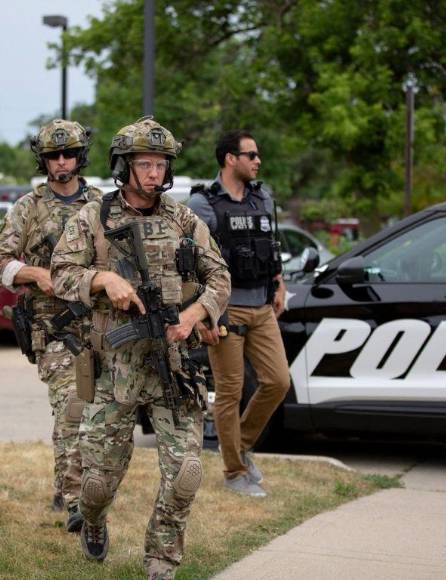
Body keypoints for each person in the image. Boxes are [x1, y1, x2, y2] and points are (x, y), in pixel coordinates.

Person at [51, 116, 230, 579]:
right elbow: (62, 274)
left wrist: (194, 315)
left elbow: (219, 277)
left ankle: (161, 558)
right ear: (124, 167)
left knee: (186, 472)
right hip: (113, 367)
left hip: (172, 365)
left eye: (161, 164)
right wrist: (103, 278)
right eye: (145, 164)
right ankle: (92, 520)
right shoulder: (93, 218)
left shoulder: (182, 218)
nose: (154, 173)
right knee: (96, 484)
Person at [0, 118, 103, 532]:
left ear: (80, 155)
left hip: (100, 325)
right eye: (54, 155)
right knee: (72, 408)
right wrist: (35, 275)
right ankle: (75, 503)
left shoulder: (99, 203)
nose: (62, 161)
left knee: (101, 415)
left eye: (69, 153)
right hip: (54, 329)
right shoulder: (28, 207)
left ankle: (85, 488)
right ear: (43, 160)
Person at [188, 130, 290, 497]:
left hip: (262, 307)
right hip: (225, 310)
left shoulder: (261, 197)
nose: (257, 161)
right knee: (230, 392)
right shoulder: (203, 204)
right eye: (251, 155)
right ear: (230, 159)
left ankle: (241, 447)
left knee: (278, 381)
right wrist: (202, 314)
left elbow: (270, 244)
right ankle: (234, 473)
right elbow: (190, 264)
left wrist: (279, 282)